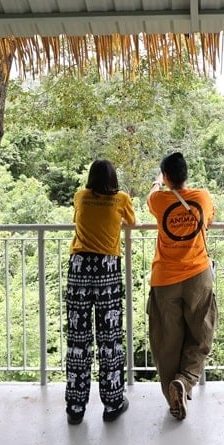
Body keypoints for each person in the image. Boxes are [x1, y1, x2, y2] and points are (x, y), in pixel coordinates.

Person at [146, 151, 216, 420]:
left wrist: (157, 183)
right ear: (186, 174)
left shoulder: (158, 200)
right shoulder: (202, 197)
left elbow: (152, 195)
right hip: (198, 275)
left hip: (165, 279)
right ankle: (185, 381)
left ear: (166, 176)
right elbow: (209, 219)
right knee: (201, 333)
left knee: (167, 341)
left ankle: (172, 399)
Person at [65, 159, 136, 425]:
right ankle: (112, 403)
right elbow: (132, 222)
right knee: (109, 338)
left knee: (78, 339)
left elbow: (77, 218)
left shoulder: (80, 196)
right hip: (107, 269)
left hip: (80, 267)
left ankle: (75, 407)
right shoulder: (121, 199)